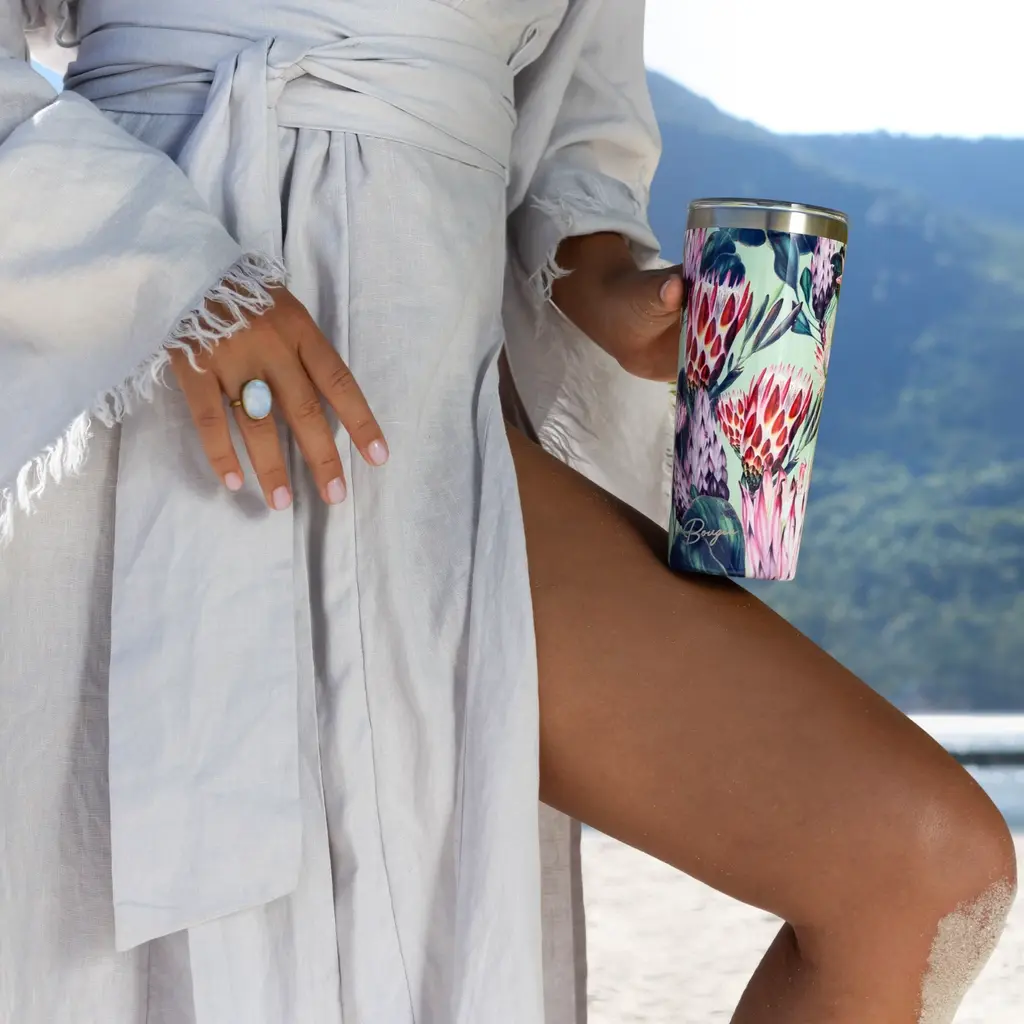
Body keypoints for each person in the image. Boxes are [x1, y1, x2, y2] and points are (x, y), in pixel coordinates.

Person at [0, 2, 1015, 1023]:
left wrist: (624, 297)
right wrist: (170, 271)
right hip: (154, 357)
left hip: (437, 426)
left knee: (920, 869)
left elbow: (575, 158)